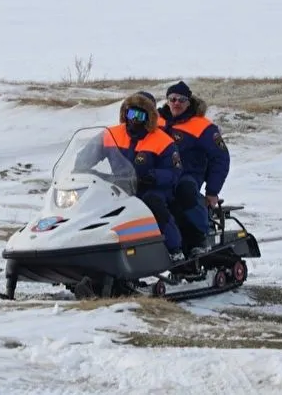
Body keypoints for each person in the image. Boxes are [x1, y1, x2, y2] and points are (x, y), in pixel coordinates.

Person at [75, 92, 185, 262]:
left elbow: (175, 171)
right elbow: (89, 154)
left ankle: (175, 248)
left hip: (149, 187)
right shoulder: (111, 134)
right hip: (119, 185)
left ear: (148, 117)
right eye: (131, 113)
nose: (134, 119)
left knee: (153, 203)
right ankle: (86, 244)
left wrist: (154, 176)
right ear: (124, 113)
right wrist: (79, 168)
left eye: (139, 115)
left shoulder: (163, 140)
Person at [157, 81, 230, 256]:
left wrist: (212, 191)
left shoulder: (202, 126)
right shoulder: (156, 121)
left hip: (188, 174)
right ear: (167, 100)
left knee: (185, 191)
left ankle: (200, 237)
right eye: (173, 99)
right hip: (159, 173)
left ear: (189, 102)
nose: (176, 103)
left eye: (181, 100)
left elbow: (220, 157)